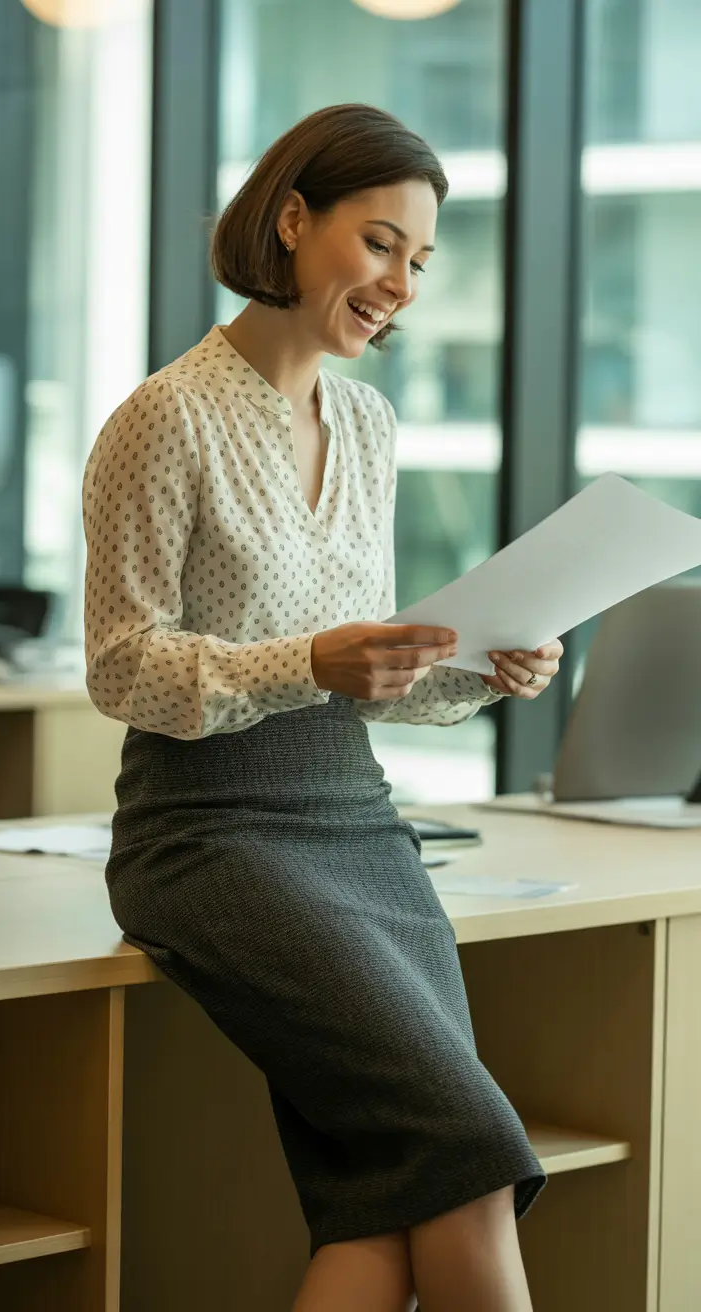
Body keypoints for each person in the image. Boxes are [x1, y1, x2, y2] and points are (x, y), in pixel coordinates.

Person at [82, 102, 562, 1312]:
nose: (401, 282)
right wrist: (308, 664)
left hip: (357, 826)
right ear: (292, 221)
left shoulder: (368, 422)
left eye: (419, 259)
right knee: (467, 1151)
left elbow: (365, 665)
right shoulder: (163, 417)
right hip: (207, 836)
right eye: (381, 243)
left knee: (397, 1188)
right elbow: (123, 668)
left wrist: (479, 667)